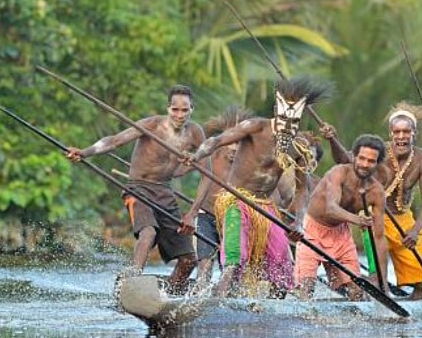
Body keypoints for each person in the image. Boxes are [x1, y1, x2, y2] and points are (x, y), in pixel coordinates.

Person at [188, 77, 330, 298]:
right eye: (284, 118)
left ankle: (274, 311)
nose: (288, 125)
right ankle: (218, 305)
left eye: (294, 121)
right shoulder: (256, 127)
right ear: (276, 111)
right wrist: (196, 155)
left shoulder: (298, 148)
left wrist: (299, 222)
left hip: (266, 209)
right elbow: (216, 141)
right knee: (235, 259)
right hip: (236, 201)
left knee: (282, 266)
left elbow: (302, 190)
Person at [66, 85, 205, 298]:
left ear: (192, 110)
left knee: (188, 260)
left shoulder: (195, 133)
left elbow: (207, 172)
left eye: (184, 110)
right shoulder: (151, 124)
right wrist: (85, 152)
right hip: (138, 189)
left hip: (164, 193)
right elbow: (113, 141)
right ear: (168, 108)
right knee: (148, 232)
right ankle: (132, 279)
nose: (179, 115)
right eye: (175, 110)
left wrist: (192, 212)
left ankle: (167, 298)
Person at [322, 102, 422, 299]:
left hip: (405, 221)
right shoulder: (378, 151)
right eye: (397, 132)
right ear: (391, 133)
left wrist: (415, 231)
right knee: (378, 279)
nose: (401, 137)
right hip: (375, 216)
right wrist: (333, 139)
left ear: (414, 133)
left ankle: (407, 308)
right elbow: (346, 160)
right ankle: (371, 287)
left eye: (406, 132)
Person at [294, 134, 389, 300]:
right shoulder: (338, 173)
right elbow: (331, 208)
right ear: (353, 156)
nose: (365, 165)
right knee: (306, 289)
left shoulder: (377, 192)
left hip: (340, 234)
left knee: (355, 291)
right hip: (312, 230)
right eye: (362, 158)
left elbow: (379, 238)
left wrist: (382, 281)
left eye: (371, 161)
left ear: (377, 163)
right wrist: (358, 220)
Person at [181, 106, 253, 294]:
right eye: (231, 142)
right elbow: (181, 170)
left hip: (233, 219)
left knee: (230, 268)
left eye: (239, 143)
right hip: (206, 216)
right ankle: (199, 299)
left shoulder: (250, 162)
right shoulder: (210, 155)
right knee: (204, 265)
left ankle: (225, 300)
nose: (234, 148)